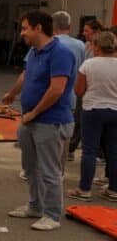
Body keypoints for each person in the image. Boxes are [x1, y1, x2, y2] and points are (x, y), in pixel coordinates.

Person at [5, 10, 75, 231]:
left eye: (25, 28)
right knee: (30, 167)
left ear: (38, 28)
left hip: (50, 121)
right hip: (30, 121)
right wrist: (12, 94)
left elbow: (57, 89)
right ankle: (35, 206)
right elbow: (26, 76)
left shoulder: (60, 53)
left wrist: (34, 113)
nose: (22, 33)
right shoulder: (34, 52)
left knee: (49, 170)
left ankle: (52, 215)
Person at [71, 30, 117, 201]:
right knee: (114, 151)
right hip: (115, 111)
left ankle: (84, 189)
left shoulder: (89, 65)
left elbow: (79, 91)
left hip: (93, 109)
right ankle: (114, 190)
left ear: (97, 46)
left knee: (89, 151)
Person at [50, 11, 87, 161]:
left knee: (47, 135)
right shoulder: (80, 45)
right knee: (64, 134)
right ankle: (62, 164)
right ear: (70, 26)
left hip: (49, 95)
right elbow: (83, 69)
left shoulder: (48, 43)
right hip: (71, 96)